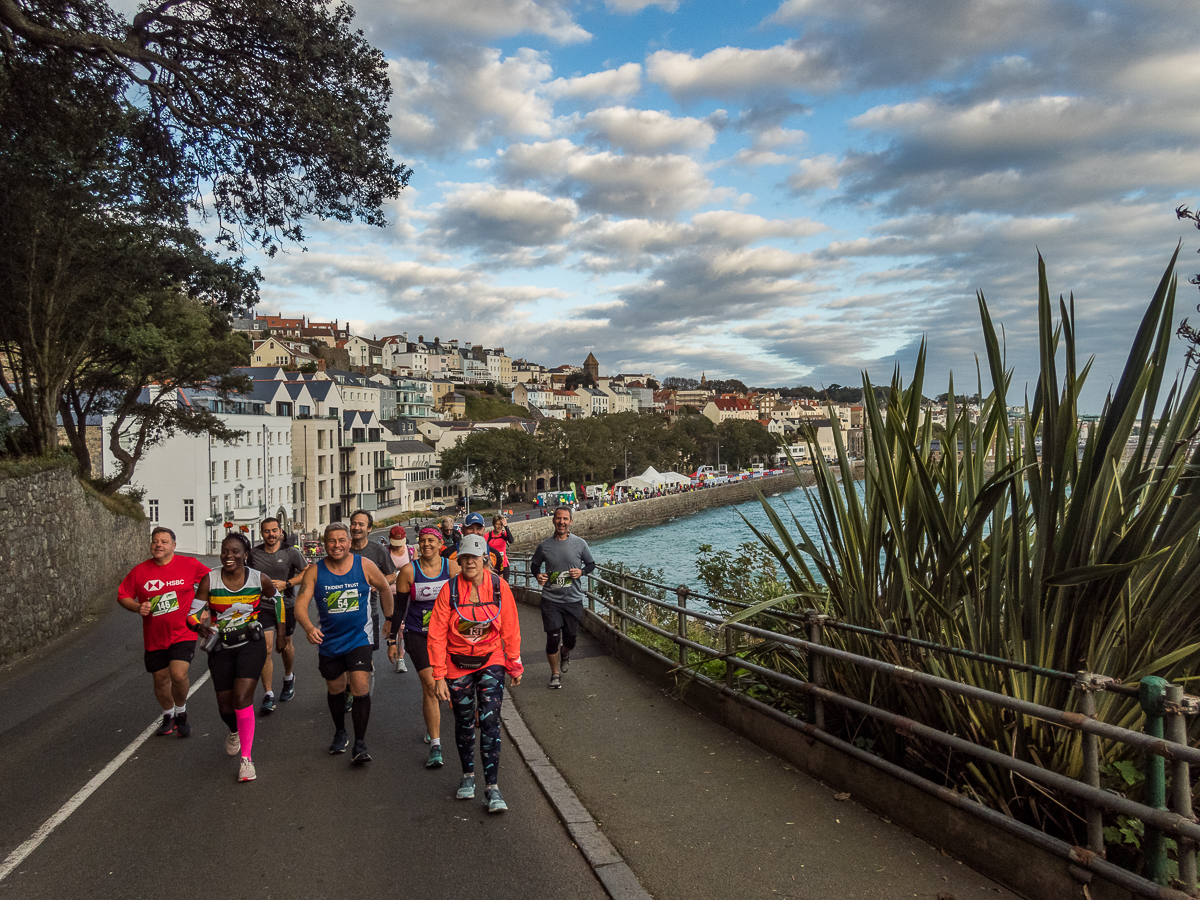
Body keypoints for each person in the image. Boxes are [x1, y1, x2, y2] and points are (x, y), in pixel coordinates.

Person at [428, 534, 522, 813]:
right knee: (464, 721)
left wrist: (514, 663)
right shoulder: (450, 591)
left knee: (491, 721)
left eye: (474, 557)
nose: (469, 562)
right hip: (457, 664)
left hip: (490, 660)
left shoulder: (498, 587)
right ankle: (468, 775)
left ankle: (492, 787)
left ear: (485, 559)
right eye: (464, 557)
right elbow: (436, 634)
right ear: (459, 560)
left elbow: (511, 626)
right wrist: (439, 675)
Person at [293, 522, 394, 763]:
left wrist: (389, 618)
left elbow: (385, 588)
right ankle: (340, 731)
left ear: (349, 542)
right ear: (324, 544)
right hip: (329, 641)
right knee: (335, 689)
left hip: (359, 638)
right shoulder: (315, 571)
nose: (336, 545)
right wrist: (308, 628)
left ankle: (360, 743)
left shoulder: (364, 565)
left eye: (341, 540)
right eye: (331, 541)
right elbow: (300, 605)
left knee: (360, 686)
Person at [189, 533, 281, 783]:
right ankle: (233, 730)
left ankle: (247, 760)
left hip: (251, 643)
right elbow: (192, 615)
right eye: (225, 551)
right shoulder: (210, 580)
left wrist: (281, 632)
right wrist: (199, 627)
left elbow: (278, 600)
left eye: (235, 551)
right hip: (222, 647)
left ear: (245, 554)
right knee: (226, 707)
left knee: (242, 698)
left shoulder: (258, 578)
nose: (229, 556)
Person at [117, 527, 210, 737]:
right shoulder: (140, 571)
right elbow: (123, 595)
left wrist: (204, 608)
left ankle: (181, 711)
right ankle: (168, 715)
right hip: (154, 637)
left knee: (178, 674)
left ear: (173, 546)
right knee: (160, 680)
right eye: (155, 541)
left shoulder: (189, 565)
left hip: (183, 631)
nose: (158, 545)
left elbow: (212, 582)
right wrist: (136, 607)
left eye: (164, 542)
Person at [393, 526, 459, 768]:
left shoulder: (451, 568)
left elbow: (466, 596)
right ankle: (435, 744)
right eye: (422, 541)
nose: (426, 544)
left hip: (447, 636)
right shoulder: (409, 571)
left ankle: (433, 725)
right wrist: (392, 640)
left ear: (441, 543)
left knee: (445, 684)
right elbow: (399, 608)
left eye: (431, 540)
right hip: (417, 634)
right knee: (431, 685)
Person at [348, 510, 413, 706]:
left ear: (369, 528)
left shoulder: (377, 550)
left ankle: (361, 695)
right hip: (341, 613)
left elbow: (392, 575)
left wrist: (378, 583)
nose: (357, 527)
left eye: (361, 524)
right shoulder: (343, 547)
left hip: (369, 611)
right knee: (343, 657)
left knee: (364, 656)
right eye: (354, 523)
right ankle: (349, 688)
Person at [529, 506, 596, 689]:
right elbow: (534, 566)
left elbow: (591, 564)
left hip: (573, 599)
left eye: (565, 519)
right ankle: (555, 674)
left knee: (571, 639)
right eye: (558, 518)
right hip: (551, 599)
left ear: (571, 521)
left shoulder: (580, 544)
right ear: (553, 520)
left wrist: (581, 572)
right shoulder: (544, 546)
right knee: (552, 637)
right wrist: (538, 575)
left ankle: (565, 653)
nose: (562, 522)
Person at [249, 517, 308, 711]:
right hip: (263, 607)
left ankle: (288, 677)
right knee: (265, 648)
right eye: (267, 531)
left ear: (280, 532)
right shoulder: (253, 554)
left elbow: (307, 571)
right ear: (261, 533)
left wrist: (287, 584)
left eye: (274, 530)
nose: (271, 534)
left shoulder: (291, 552)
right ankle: (268, 693)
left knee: (285, 646)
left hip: (286, 605)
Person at [386, 524, 414, 674]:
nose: (397, 547)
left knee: (402, 627)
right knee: (392, 625)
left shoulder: (410, 551)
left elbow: (415, 571)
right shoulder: (385, 552)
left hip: (405, 593)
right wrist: (394, 577)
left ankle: (401, 657)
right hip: (389, 595)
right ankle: (393, 646)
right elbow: (380, 574)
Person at [486, 514, 514, 581]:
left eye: (501, 525)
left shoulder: (504, 534)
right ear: (493, 524)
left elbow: (511, 541)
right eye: (497, 524)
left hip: (503, 564)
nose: (499, 527)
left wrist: (506, 526)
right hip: (492, 565)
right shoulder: (488, 536)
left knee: (504, 585)